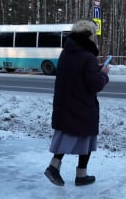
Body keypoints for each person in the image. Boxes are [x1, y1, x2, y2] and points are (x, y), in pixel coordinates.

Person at [44, 19, 110, 187]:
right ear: (89, 36)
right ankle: (80, 175)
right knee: (86, 137)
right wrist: (103, 74)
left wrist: (95, 69)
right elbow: (95, 84)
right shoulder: (88, 56)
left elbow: (76, 74)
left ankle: (55, 167)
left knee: (67, 135)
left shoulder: (66, 52)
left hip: (66, 103)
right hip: (82, 104)